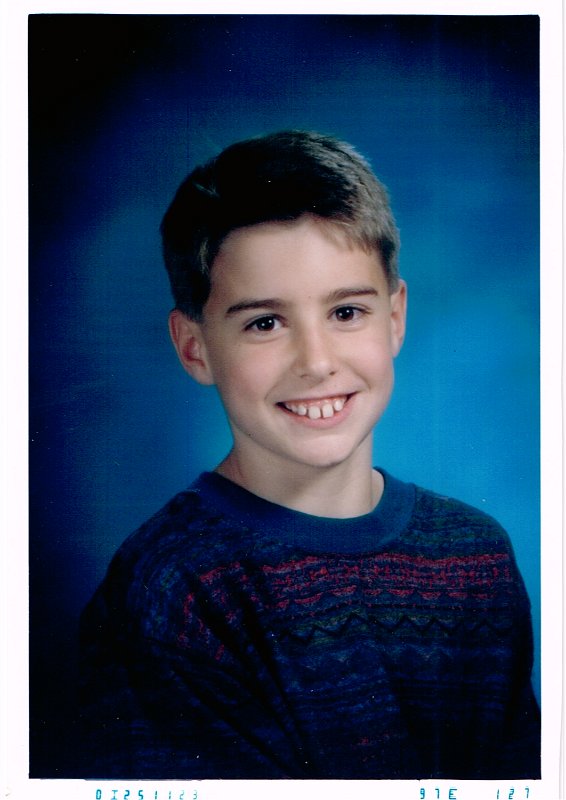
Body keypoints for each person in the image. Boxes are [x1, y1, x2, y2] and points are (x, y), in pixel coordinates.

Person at [78, 130, 540, 779]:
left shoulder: (475, 555)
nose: (317, 362)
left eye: (346, 312)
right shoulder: (173, 591)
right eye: (264, 323)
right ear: (194, 348)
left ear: (395, 318)